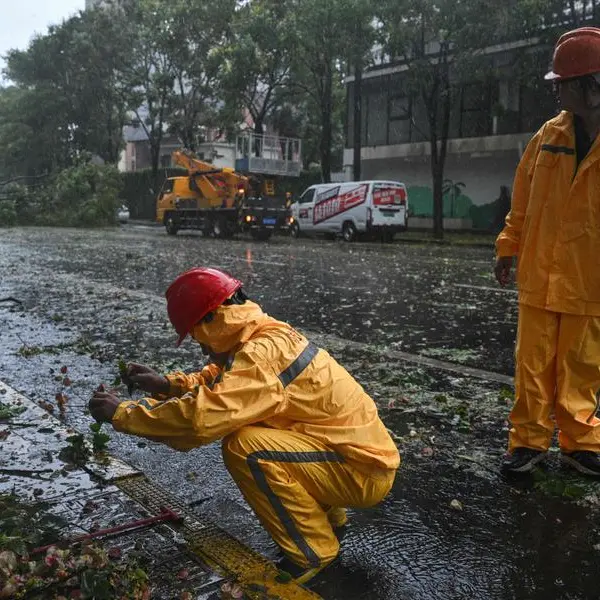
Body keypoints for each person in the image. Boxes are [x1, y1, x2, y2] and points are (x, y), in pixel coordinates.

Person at [89, 267, 400, 582]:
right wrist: (167, 384)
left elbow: (201, 418)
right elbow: (223, 382)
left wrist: (122, 413)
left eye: (198, 338)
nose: (203, 350)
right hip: (353, 457)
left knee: (246, 447)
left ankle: (313, 553)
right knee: (261, 435)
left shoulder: (260, 356)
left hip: (360, 471)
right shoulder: (263, 333)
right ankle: (328, 521)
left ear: (214, 319)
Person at [495, 27, 600, 476]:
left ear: (590, 86)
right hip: (540, 273)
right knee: (532, 365)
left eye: (564, 82)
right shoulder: (547, 137)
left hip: (589, 279)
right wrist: (507, 247)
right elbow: (522, 201)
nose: (557, 89)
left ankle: (581, 443)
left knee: (582, 364)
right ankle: (528, 442)